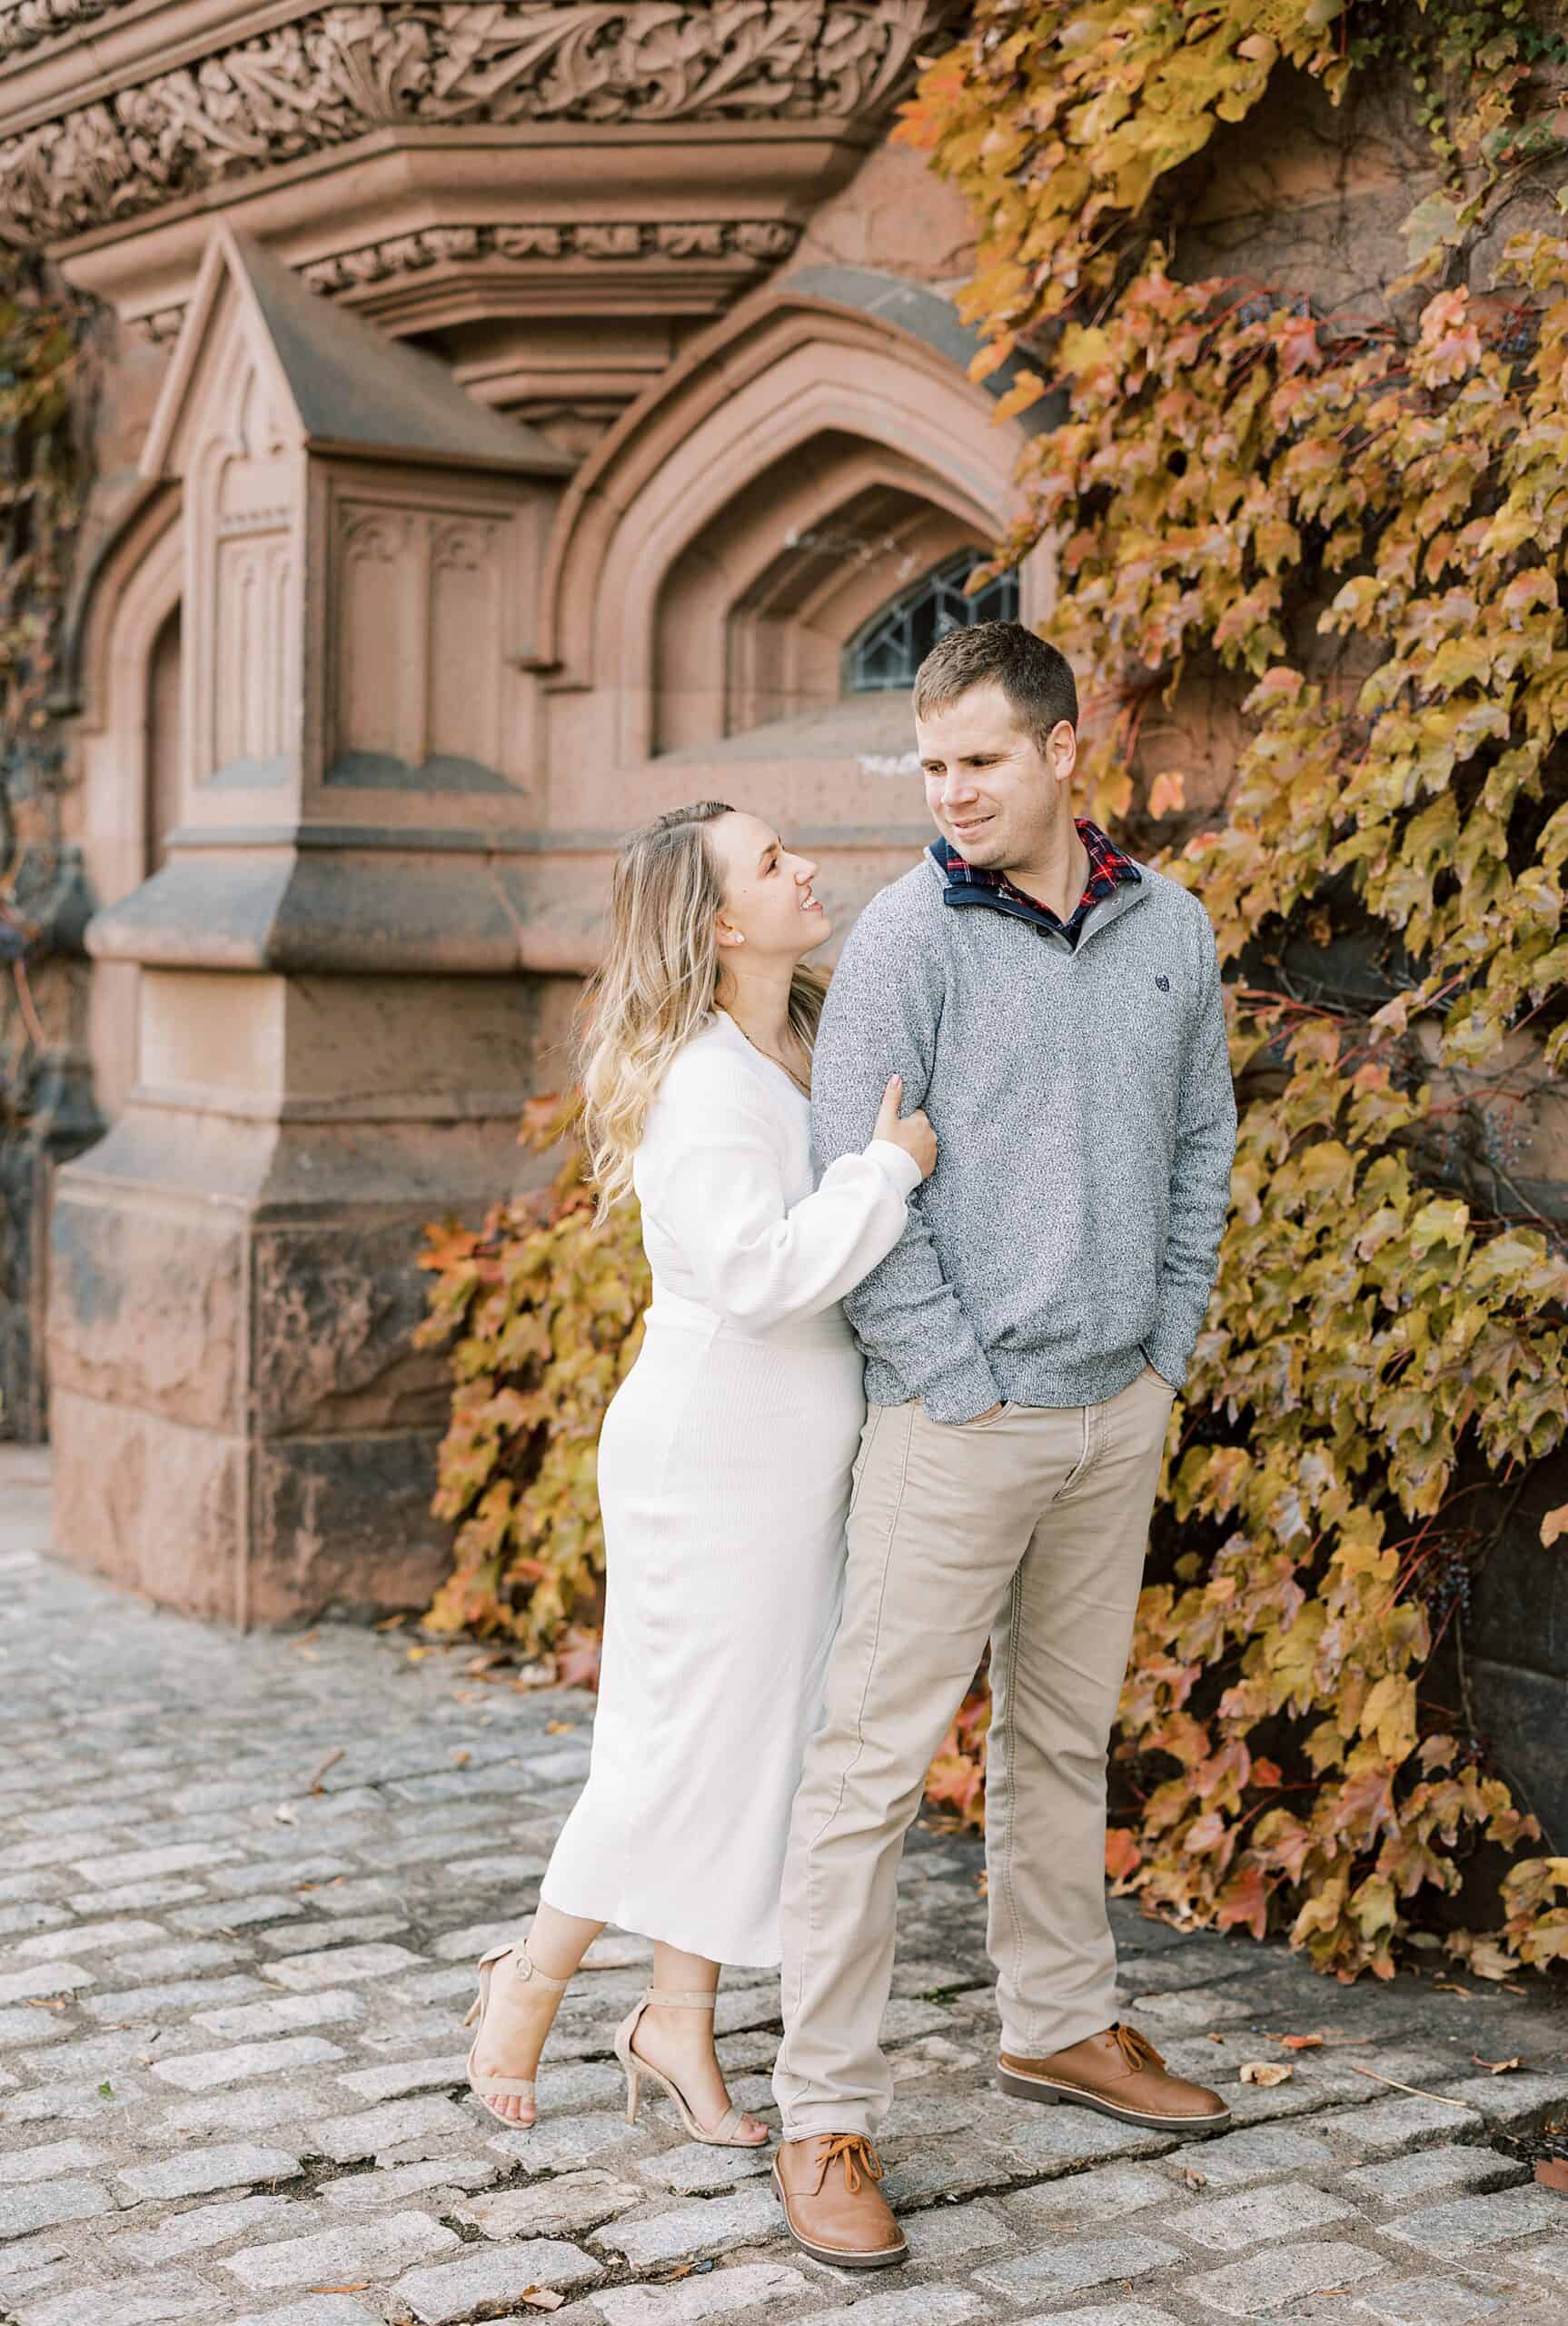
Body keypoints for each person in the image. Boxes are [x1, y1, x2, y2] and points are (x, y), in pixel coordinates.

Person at [769, 621, 1240, 2269]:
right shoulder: (908, 941)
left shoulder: (1169, 927)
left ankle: (1057, 2024)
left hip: (1116, 1408)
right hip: (956, 1425)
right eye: (931, 765)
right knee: (868, 1774)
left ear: (1060, 752)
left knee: (1060, 1741)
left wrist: (1163, 1354)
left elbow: (1201, 1148)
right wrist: (955, 1380)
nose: (952, 791)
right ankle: (820, 2109)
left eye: (980, 759)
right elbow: (855, 1184)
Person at [463, 800, 936, 2146]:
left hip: (795, 1446)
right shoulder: (699, 1079)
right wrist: (883, 1178)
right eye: (772, 862)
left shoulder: (803, 1035)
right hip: (711, 1448)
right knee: (671, 1750)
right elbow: (753, 1272)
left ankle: (677, 2019)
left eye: (792, 845)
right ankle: (531, 1978)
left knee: (753, 1752)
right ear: (721, 921)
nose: (805, 867)